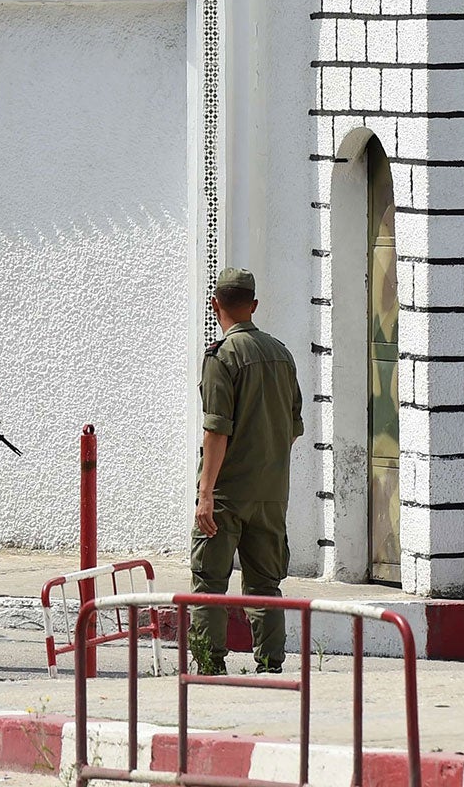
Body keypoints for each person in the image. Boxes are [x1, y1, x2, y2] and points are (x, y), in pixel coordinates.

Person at [190, 268, 301, 676]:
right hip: (271, 493)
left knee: (209, 583)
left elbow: (216, 430)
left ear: (215, 305)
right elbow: (293, 427)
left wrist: (206, 493)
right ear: (253, 306)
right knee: (265, 585)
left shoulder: (222, 357)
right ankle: (271, 665)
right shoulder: (281, 354)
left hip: (227, 493)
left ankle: (208, 663)